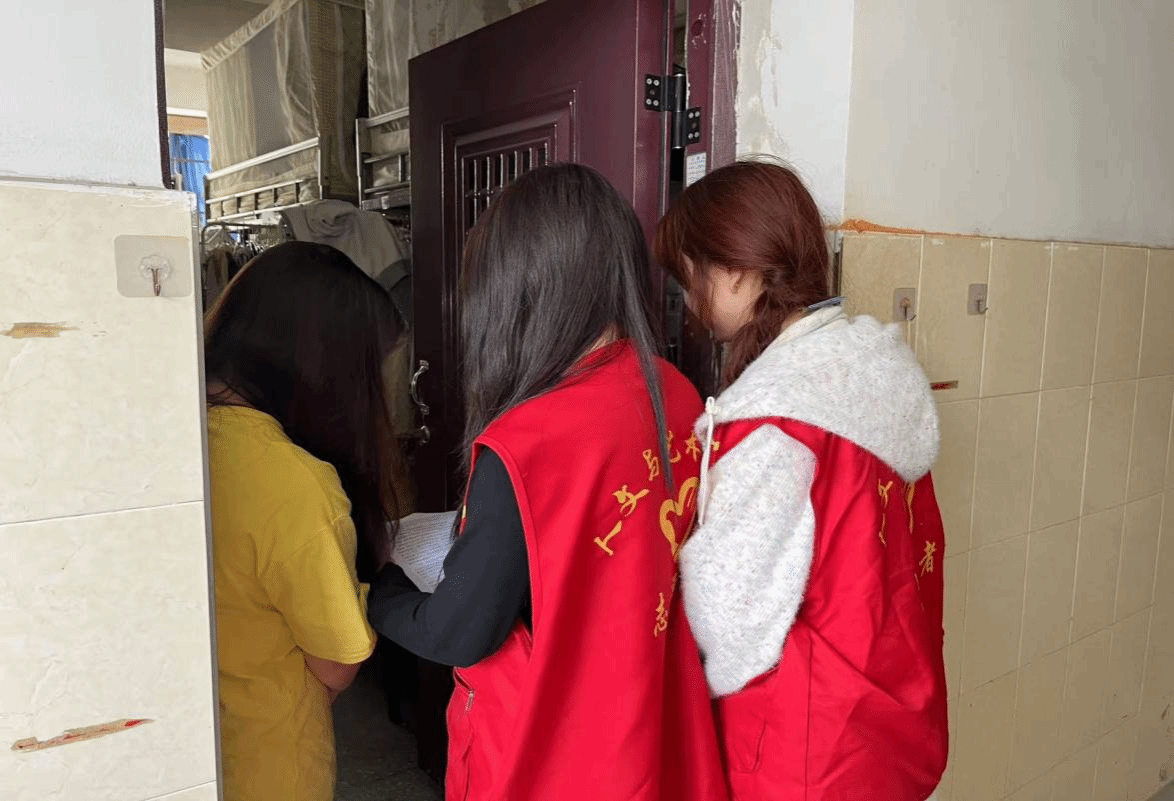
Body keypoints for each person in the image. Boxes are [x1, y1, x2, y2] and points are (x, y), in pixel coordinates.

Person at [367, 163, 728, 801]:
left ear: (517, 291)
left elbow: (460, 631)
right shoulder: (676, 394)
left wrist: (376, 589)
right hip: (655, 731)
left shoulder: (527, 441)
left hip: (556, 756)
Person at [654, 160, 949, 800]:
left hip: (803, 752)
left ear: (737, 271)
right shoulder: (881, 375)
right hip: (883, 729)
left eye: (691, 276)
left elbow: (727, 622)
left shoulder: (773, 422)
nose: (690, 302)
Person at [203, 241, 406, 801]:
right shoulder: (294, 484)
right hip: (270, 767)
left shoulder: (180, 434)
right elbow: (337, 663)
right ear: (329, 369)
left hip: (192, 750)